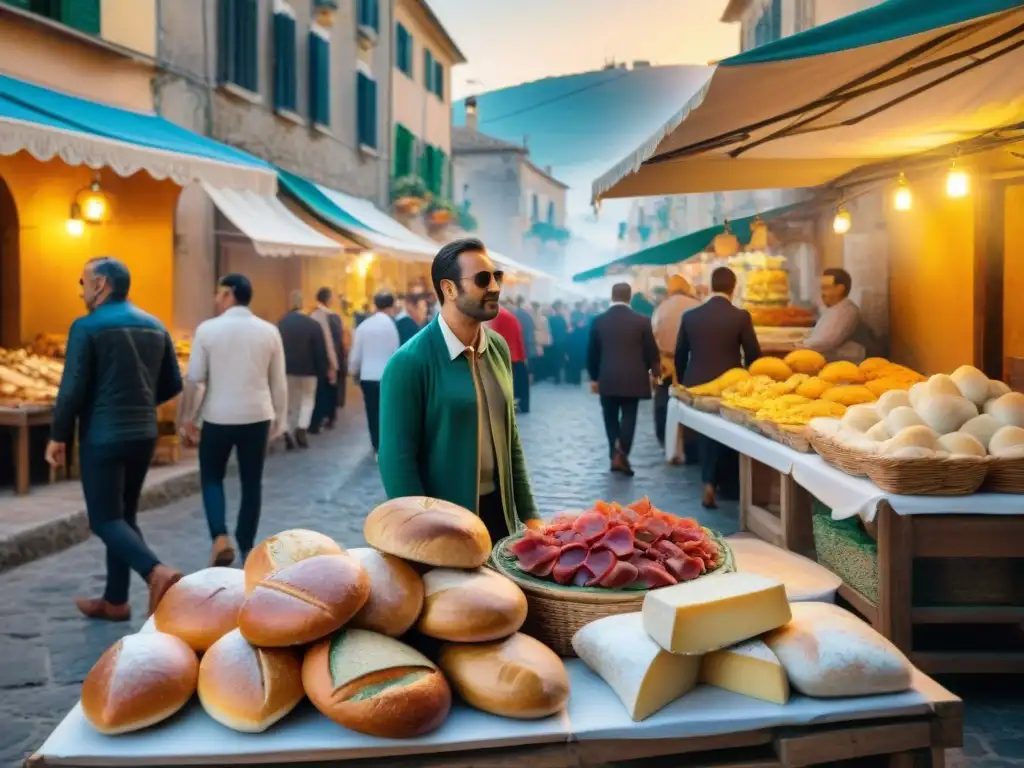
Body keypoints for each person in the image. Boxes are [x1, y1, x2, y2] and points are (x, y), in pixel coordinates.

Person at [46, 257, 183, 621]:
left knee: (104, 519)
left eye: (83, 282)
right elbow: (173, 382)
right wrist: (139, 402)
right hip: (143, 433)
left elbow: (71, 389)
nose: (81, 290)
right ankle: (116, 601)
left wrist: (57, 435)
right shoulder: (155, 325)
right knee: (123, 516)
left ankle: (155, 571)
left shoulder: (86, 327)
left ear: (101, 284)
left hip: (103, 434)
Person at [378, 238, 540, 541]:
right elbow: (396, 462)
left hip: (500, 520)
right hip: (444, 526)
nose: (494, 286)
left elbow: (511, 439)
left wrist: (530, 517)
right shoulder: (409, 363)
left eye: (496, 276)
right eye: (482, 279)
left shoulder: (498, 349)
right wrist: (425, 535)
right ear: (449, 289)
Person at [180, 274, 287, 567]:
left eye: (219, 293)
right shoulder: (268, 331)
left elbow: (196, 378)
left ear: (229, 294)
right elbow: (278, 381)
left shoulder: (207, 330)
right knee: (252, 482)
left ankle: (220, 537)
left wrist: (189, 417)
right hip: (257, 415)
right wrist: (281, 418)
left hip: (218, 415)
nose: (216, 299)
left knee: (212, 476)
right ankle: (247, 544)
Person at [675, 267, 761, 508]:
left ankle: (708, 482)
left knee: (706, 433)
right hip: (729, 384)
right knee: (729, 433)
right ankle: (726, 485)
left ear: (711, 286)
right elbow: (753, 353)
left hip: (697, 382)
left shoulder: (690, 316)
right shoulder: (741, 316)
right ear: (733, 288)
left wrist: (682, 382)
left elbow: (681, 352)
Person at [587, 283, 661, 477]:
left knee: (609, 418)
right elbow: (651, 351)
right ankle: (622, 453)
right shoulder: (642, 321)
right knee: (629, 417)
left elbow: (592, 353)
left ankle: (615, 453)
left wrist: (594, 377)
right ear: (629, 298)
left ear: (612, 296)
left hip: (607, 377)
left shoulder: (598, 321)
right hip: (634, 378)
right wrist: (654, 371)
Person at [651, 275, 701, 463]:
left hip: (666, 363)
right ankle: (692, 444)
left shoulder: (661, 308)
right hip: (691, 361)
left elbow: (653, 337)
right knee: (692, 403)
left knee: (663, 399)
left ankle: (666, 439)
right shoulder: (696, 305)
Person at [348, 292, 400, 456]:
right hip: (387, 375)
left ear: (375, 305)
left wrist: (353, 370)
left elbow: (356, 354)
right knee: (386, 411)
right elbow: (396, 351)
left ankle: (375, 444)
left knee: (371, 411)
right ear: (391, 306)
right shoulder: (391, 326)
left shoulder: (364, 326)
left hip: (368, 376)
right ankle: (385, 443)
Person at [278, 291, 329, 450]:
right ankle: (301, 428)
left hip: (287, 368)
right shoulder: (312, 324)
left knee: (289, 401)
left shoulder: (281, 323)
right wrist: (323, 370)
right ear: (302, 304)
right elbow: (320, 350)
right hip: (309, 370)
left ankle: (286, 429)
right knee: (307, 400)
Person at [802, 268, 875, 362]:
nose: (822, 294)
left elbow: (826, 342)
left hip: (848, 366)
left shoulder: (847, 311)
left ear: (839, 289)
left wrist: (794, 346)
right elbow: (817, 336)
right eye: (822, 288)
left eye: (826, 288)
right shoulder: (834, 309)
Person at [309, 287, 344, 431]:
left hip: (318, 360)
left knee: (320, 391)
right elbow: (333, 342)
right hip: (329, 359)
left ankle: (323, 417)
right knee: (329, 390)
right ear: (328, 299)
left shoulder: (312, 315)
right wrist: (334, 364)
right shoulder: (331, 317)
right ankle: (328, 417)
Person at [487, 303, 530, 414]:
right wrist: (522, 356)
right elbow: (519, 340)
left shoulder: (492, 317)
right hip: (513, 356)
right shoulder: (512, 319)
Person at [546, 301, 569, 384]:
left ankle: (556, 377)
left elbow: (549, 330)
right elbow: (566, 329)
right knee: (561, 359)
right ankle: (561, 376)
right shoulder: (562, 318)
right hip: (562, 341)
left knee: (555, 359)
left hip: (554, 341)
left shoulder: (550, 318)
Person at [530, 301, 551, 381]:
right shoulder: (543, 318)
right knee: (540, 358)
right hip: (542, 340)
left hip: (535, 340)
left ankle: (537, 376)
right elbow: (547, 330)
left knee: (535, 359)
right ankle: (541, 375)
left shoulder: (531, 317)